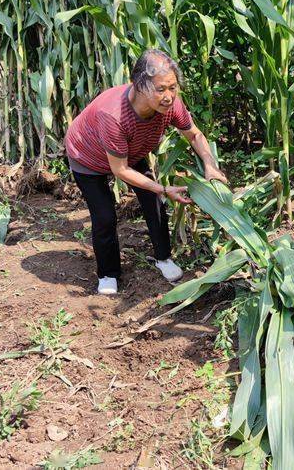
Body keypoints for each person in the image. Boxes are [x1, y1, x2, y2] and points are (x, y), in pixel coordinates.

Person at [64, 49, 227, 295]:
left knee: (154, 201)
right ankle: (108, 274)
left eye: (172, 88)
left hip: (131, 151)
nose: (169, 96)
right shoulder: (114, 115)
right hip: (87, 157)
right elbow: (120, 170)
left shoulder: (170, 105)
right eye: (161, 89)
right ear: (139, 85)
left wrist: (210, 165)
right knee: (105, 216)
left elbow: (194, 134)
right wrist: (164, 187)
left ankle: (163, 258)